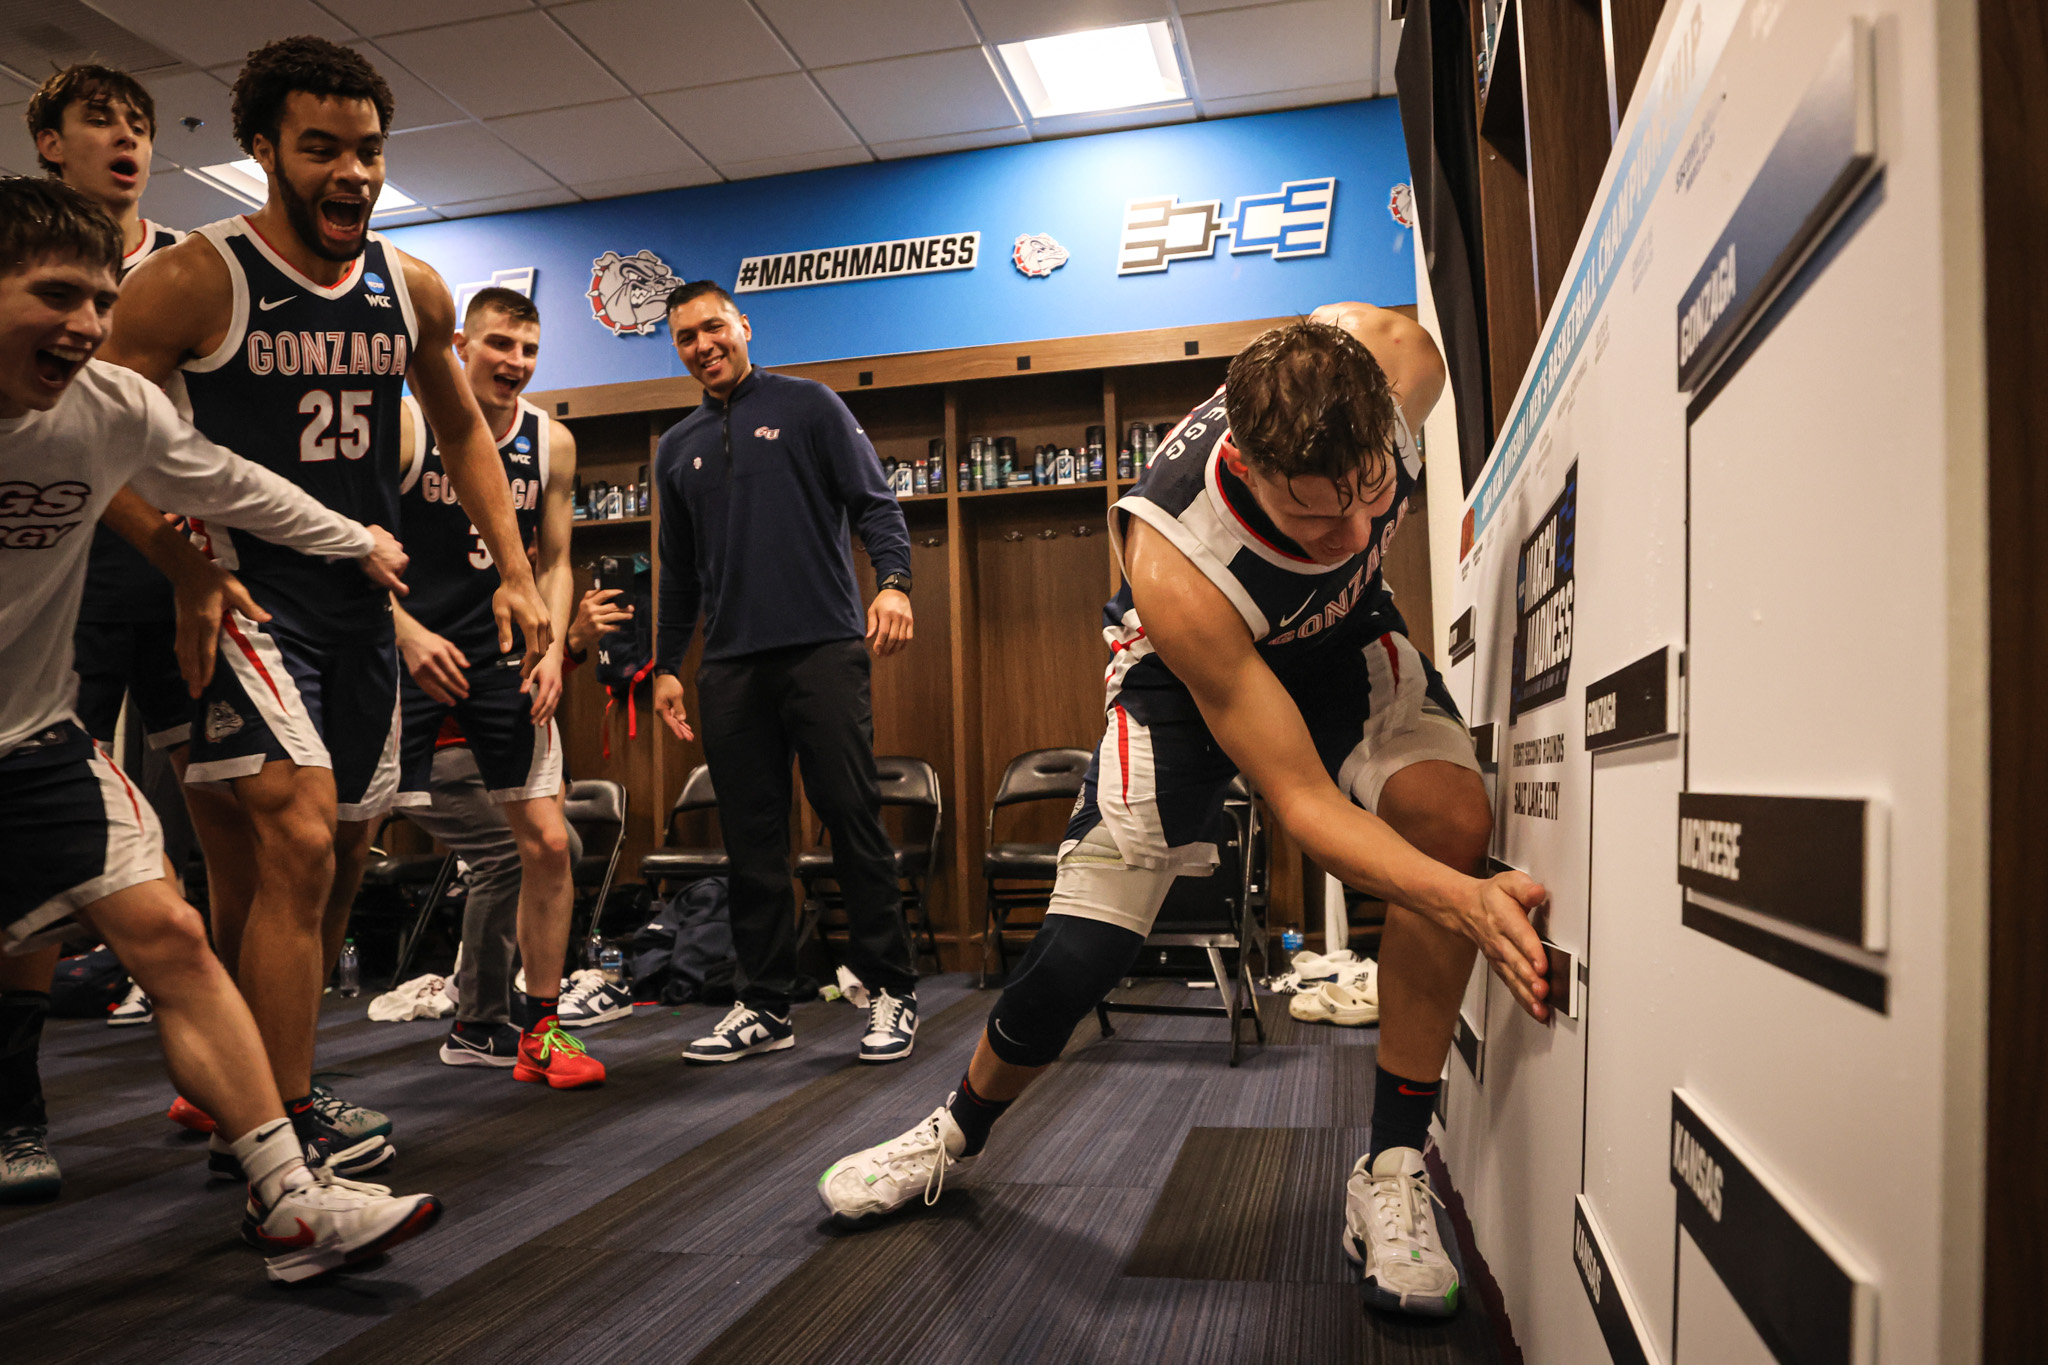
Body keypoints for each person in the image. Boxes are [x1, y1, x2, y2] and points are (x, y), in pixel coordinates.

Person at [814, 306, 1553, 1319]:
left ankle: (1389, 1165)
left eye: (1371, 495)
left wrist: (1452, 878)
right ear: (1246, 468)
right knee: (1082, 949)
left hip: (1340, 643)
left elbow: (1349, 414)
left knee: (1449, 823)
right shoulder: (1173, 557)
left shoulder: (1395, 363)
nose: (1350, 537)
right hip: (1188, 675)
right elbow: (1299, 798)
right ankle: (953, 1130)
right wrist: (1463, 904)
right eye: (1314, 519)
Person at [98, 36, 553, 1175]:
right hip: (249, 601)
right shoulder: (196, 279)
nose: (352, 173)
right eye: (321, 149)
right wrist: (184, 565)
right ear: (263, 150)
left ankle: (254, 1086)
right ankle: (283, 1124)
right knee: (296, 839)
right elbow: (86, 435)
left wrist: (512, 568)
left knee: (340, 858)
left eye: (368, 151)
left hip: (362, 607)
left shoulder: (411, 286)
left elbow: (460, 429)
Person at [0, 175, 444, 1280]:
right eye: (55, 296)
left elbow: (231, 484)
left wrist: (355, 540)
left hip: (35, 740)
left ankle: (288, 1200)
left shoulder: (110, 407)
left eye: (100, 301)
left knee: (173, 936)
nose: (86, 326)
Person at [0, 63, 187, 1202]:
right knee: (36, 834)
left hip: (172, 577)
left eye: (140, 124)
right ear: (48, 140)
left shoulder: (181, 266)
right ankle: (16, 1106)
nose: (126, 139)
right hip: (58, 583)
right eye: (100, 120)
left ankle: (257, 1087)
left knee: (244, 811)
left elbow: (185, 445)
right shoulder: (19, 257)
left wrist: (202, 567)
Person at [650, 281, 921, 1066]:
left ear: (743, 324)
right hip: (730, 666)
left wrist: (894, 583)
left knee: (851, 817)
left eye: (713, 327)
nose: (703, 345)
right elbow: (678, 573)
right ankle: (765, 1002)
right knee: (751, 840)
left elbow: (876, 504)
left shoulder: (809, 406)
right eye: (686, 337)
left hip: (821, 649)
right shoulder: (675, 447)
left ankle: (893, 988)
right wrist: (665, 666)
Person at [389, 286, 595, 1086]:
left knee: (548, 841)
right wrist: (404, 633)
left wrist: (552, 647)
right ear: (461, 347)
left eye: (529, 349)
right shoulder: (408, 425)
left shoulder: (551, 441)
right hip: (405, 649)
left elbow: (557, 560)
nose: (516, 362)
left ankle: (539, 1027)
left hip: (503, 653)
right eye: (501, 344)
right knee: (329, 847)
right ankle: (273, 1060)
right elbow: (352, 544)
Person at [405, 585, 630, 1066]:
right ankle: (477, 1022)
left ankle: (489, 985)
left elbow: (524, 684)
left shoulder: (526, 586)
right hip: (438, 750)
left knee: (558, 848)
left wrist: (569, 646)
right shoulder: (461, 584)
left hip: (485, 750)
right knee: (508, 854)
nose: (526, 553)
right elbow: (487, 685)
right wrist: (569, 645)